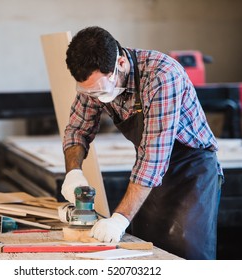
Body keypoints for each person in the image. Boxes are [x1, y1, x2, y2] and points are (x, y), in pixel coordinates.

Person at [60, 26, 223, 260]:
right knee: (146, 248)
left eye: (100, 90)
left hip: (191, 169)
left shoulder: (162, 76)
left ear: (122, 64)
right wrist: (73, 172)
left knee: (187, 252)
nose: (95, 96)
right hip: (152, 174)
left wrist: (119, 219)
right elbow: (78, 129)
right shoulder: (96, 82)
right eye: (89, 91)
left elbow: (153, 156)